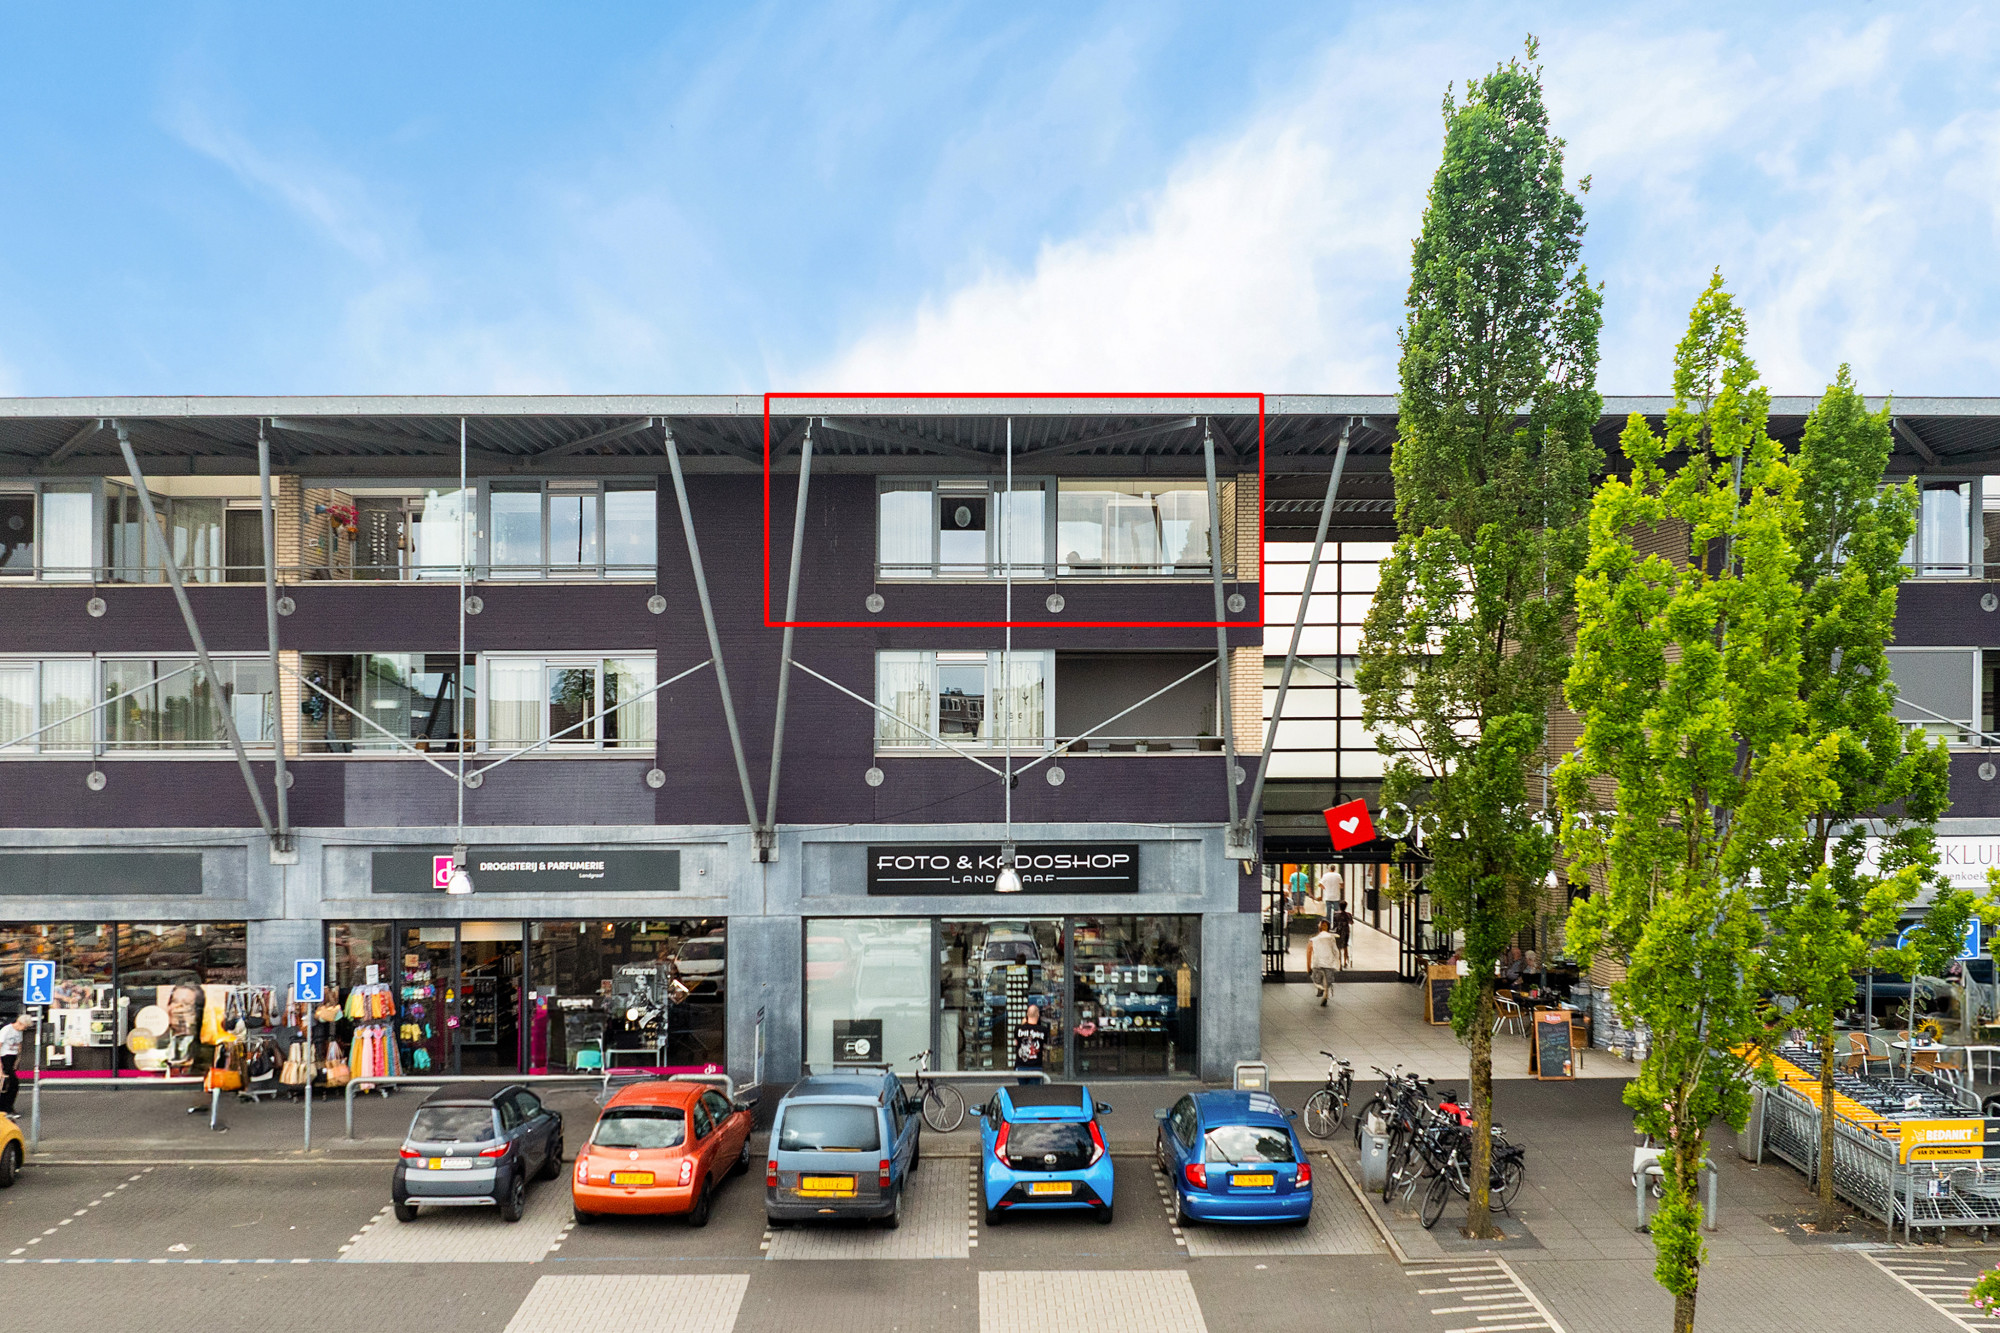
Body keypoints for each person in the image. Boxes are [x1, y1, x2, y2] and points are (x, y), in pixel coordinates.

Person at [0, 1011, 28, 1119]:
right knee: (11, 1083)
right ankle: (6, 1108)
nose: (24, 1029)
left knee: (10, 1084)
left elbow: (19, 1046)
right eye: (25, 1027)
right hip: (5, 1057)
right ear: (20, 1023)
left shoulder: (19, 1032)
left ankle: (7, 1107)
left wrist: (17, 1061)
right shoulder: (7, 1030)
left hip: (12, 1057)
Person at [1014, 1002, 1049, 1084]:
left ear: (1027, 1015)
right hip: (1036, 1067)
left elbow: (1016, 1042)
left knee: (1022, 1089)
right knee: (1033, 1090)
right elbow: (1044, 1044)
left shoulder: (1018, 1029)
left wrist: (1023, 1024)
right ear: (1038, 1015)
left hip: (1021, 1066)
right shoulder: (1043, 1030)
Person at [1307, 921, 1340, 1007]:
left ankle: (1321, 989)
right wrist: (1337, 962)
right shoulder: (1331, 938)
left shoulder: (1314, 939)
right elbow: (1336, 951)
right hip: (1328, 962)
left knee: (1317, 979)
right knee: (1327, 980)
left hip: (1318, 963)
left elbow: (1309, 951)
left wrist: (1308, 966)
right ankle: (1325, 993)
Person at [1331, 900, 1355, 969]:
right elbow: (1351, 922)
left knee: (1339, 947)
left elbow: (1334, 925)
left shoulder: (1336, 915)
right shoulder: (1348, 915)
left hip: (1339, 932)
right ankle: (1345, 962)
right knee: (1345, 946)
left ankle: (1339, 962)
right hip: (1346, 931)